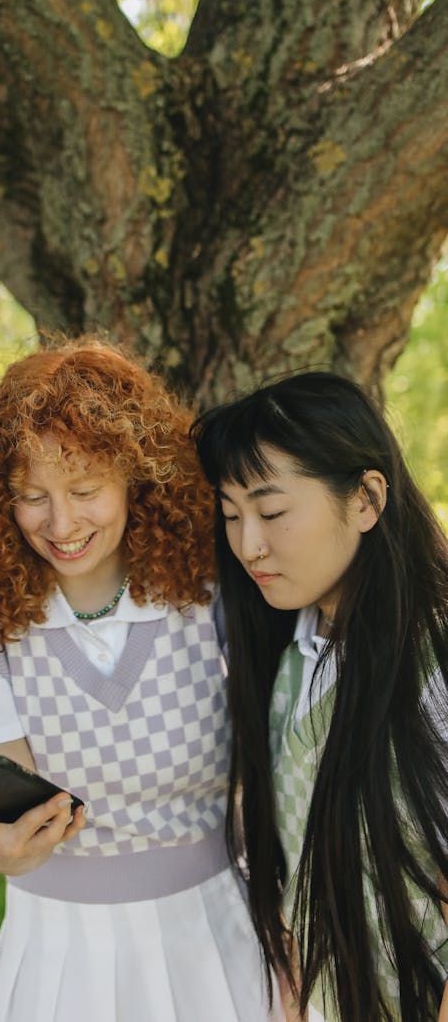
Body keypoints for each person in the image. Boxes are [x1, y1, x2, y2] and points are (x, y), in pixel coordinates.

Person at [0, 337, 280, 1022]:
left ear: (136, 475)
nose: (61, 524)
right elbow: (13, 812)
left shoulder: (212, 588)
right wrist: (8, 851)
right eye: (32, 496)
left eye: (85, 489)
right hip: (58, 950)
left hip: (212, 935)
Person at [193, 371, 448, 1022]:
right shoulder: (289, 657)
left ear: (365, 498)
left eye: (272, 511)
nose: (249, 544)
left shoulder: (431, 663)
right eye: (231, 515)